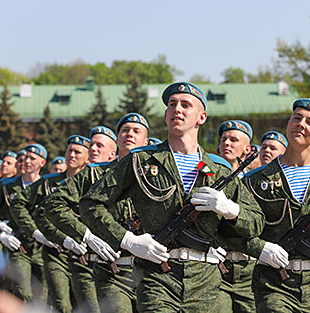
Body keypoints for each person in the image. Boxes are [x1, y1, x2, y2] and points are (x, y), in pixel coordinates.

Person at [79, 82, 264, 312]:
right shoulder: (140, 161)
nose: (177, 109)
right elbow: (91, 204)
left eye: (186, 105)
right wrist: (128, 240)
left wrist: (230, 210)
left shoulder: (220, 170)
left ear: (201, 117)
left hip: (205, 282)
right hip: (157, 279)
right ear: (166, 115)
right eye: (172, 105)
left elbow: (256, 222)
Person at [243, 98, 310, 312]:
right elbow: (234, 232)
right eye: (297, 118)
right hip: (274, 285)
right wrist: (261, 248)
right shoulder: (256, 180)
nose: (301, 124)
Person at [45, 113, 149, 313]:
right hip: (112, 270)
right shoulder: (94, 173)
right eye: (125, 130)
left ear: (145, 141)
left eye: (136, 131)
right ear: (117, 140)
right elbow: (53, 204)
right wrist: (87, 235)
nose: (130, 134)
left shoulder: (155, 173)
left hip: (149, 272)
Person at [11, 135, 90, 313]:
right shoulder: (49, 182)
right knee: (62, 305)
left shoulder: (91, 180)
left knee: (82, 305)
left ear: (87, 157)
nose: (71, 155)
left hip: (85, 254)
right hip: (56, 253)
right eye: (69, 150)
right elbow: (18, 203)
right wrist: (35, 232)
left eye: (77, 152)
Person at [0, 144, 49, 302]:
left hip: (43, 247)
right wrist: (0, 234)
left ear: (42, 163)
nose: (27, 161)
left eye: (32, 158)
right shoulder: (6, 187)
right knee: (23, 291)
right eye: (25, 158)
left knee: (43, 294)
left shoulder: (47, 186)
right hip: (18, 246)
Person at [217, 120, 257, 312]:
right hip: (218, 267)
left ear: (247, 149)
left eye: (234, 140)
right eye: (224, 139)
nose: (227, 143)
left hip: (250, 269)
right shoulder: (209, 180)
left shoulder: (256, 183)